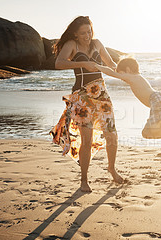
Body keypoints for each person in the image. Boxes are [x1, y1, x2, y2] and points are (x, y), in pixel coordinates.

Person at [50, 16, 123, 192]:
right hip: (82, 97)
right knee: (87, 140)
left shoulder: (97, 43)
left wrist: (127, 72)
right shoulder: (72, 45)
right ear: (75, 33)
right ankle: (84, 180)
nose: (87, 35)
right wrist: (84, 63)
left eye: (89, 31)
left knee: (112, 134)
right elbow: (58, 63)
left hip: (102, 96)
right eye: (83, 33)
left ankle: (111, 169)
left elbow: (111, 64)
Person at [94, 58, 161, 143]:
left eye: (122, 73)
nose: (122, 78)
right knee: (147, 133)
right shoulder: (135, 77)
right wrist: (115, 66)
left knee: (157, 127)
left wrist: (96, 66)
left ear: (127, 70)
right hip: (160, 99)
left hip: (157, 100)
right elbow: (115, 70)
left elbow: (112, 73)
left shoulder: (132, 77)